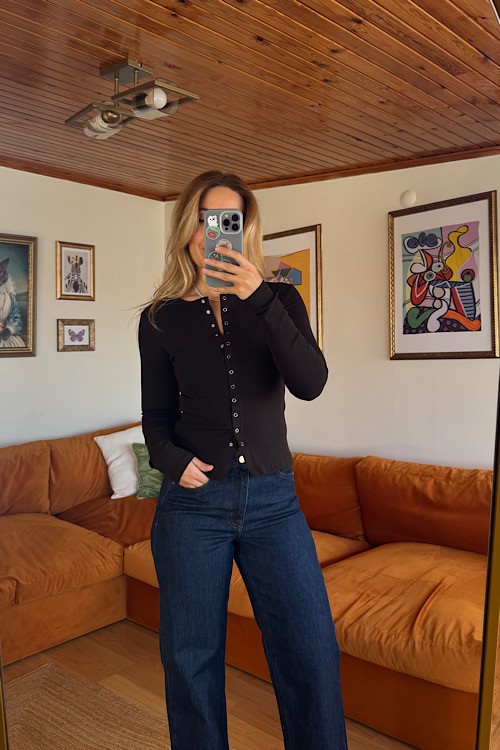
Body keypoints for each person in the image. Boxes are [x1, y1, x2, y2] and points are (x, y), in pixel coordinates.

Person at [138, 170, 348, 750]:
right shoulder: (159, 319)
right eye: (206, 220)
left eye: (228, 220)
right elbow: (156, 417)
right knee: (190, 661)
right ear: (188, 227)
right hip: (191, 506)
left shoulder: (279, 299)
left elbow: (311, 383)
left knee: (311, 651)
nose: (215, 233)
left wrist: (258, 295)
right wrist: (171, 460)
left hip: (274, 503)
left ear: (245, 229)